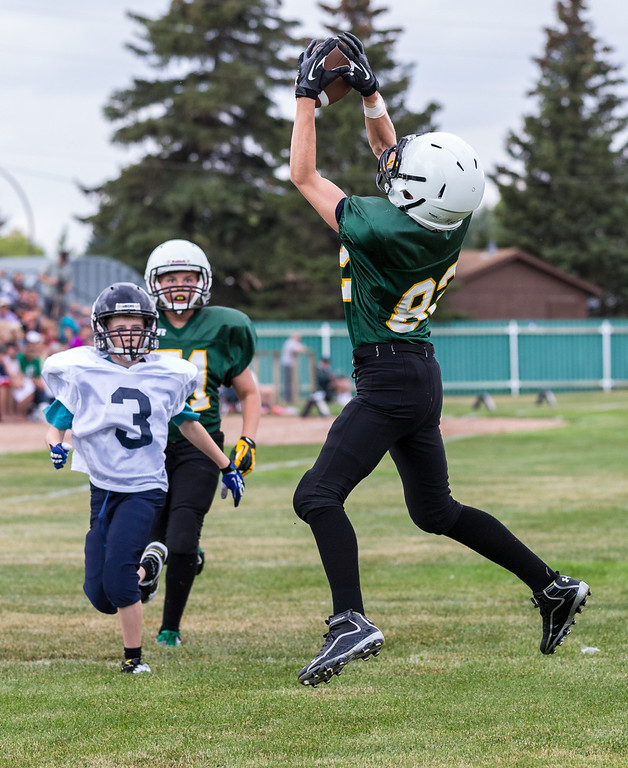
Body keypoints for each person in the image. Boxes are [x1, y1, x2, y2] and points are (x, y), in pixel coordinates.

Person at [290, 33, 590, 687]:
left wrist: (307, 98)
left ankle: (350, 619)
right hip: (420, 372)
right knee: (436, 512)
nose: (394, 167)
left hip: (388, 375)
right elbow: (390, 157)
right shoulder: (450, 219)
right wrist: (371, 95)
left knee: (315, 495)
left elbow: (304, 176)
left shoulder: (381, 226)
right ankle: (551, 586)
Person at [41, 282, 245, 674]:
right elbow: (58, 423)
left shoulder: (167, 372)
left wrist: (226, 465)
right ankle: (148, 569)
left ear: (151, 327)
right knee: (100, 594)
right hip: (102, 488)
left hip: (144, 487)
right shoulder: (81, 370)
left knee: (119, 581)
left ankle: (133, 660)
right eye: (120, 326)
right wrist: (56, 445)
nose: (129, 334)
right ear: (101, 329)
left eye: (137, 325)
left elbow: (189, 423)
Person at [141, 239, 260, 648]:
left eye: (187, 276)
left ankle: (169, 628)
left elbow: (248, 392)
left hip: (201, 446)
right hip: (146, 448)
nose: (179, 285)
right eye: (170, 277)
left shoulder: (225, 326)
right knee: (148, 539)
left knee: (181, 537)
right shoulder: (140, 324)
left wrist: (248, 439)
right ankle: (179, 560)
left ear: (203, 280)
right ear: (154, 283)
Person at [39, 250, 73, 321]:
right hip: (49, 294)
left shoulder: (67, 268)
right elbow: (41, 276)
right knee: (48, 316)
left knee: (60, 317)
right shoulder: (51, 264)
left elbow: (69, 283)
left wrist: (66, 287)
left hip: (60, 296)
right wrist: (51, 280)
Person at [280, 333, 308, 402]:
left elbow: (303, 348)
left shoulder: (294, 343)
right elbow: (297, 349)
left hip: (291, 365)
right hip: (288, 365)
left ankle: (292, 397)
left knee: (292, 381)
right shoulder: (290, 342)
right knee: (289, 382)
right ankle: (288, 398)